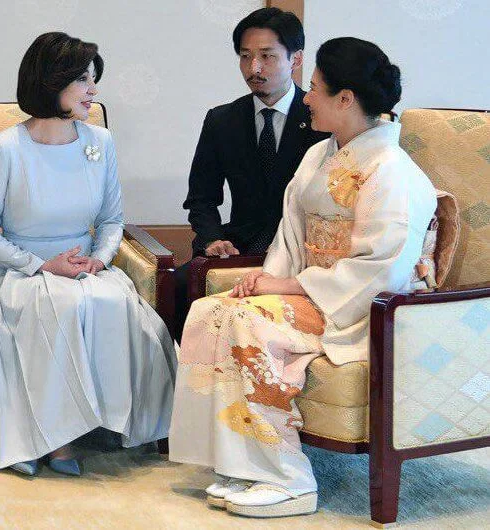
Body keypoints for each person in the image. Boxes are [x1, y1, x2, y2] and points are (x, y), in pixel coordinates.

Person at [169, 37, 437, 517]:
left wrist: (286, 287)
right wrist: (265, 280)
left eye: (314, 89)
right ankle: (242, 462)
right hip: (315, 293)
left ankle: (289, 478)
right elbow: (290, 239)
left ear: (346, 99)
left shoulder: (394, 171)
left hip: (365, 309)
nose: (306, 97)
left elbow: (382, 268)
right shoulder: (320, 155)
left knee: (250, 323)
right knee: (211, 309)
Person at [0, 32, 177, 477]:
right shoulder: (6, 148)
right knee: (58, 305)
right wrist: (39, 264)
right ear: (52, 83)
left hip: (83, 267)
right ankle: (54, 439)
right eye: (83, 81)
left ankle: (95, 423)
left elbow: (111, 221)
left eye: (94, 80)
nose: (94, 91)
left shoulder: (100, 142)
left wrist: (100, 260)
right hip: (18, 270)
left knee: (109, 300)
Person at [174, 7, 328, 342]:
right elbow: (201, 198)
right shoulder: (222, 120)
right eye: (245, 57)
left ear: (296, 59)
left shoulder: (321, 120)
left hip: (302, 248)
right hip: (240, 245)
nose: (254, 68)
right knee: (176, 286)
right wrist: (212, 239)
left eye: (267, 57)